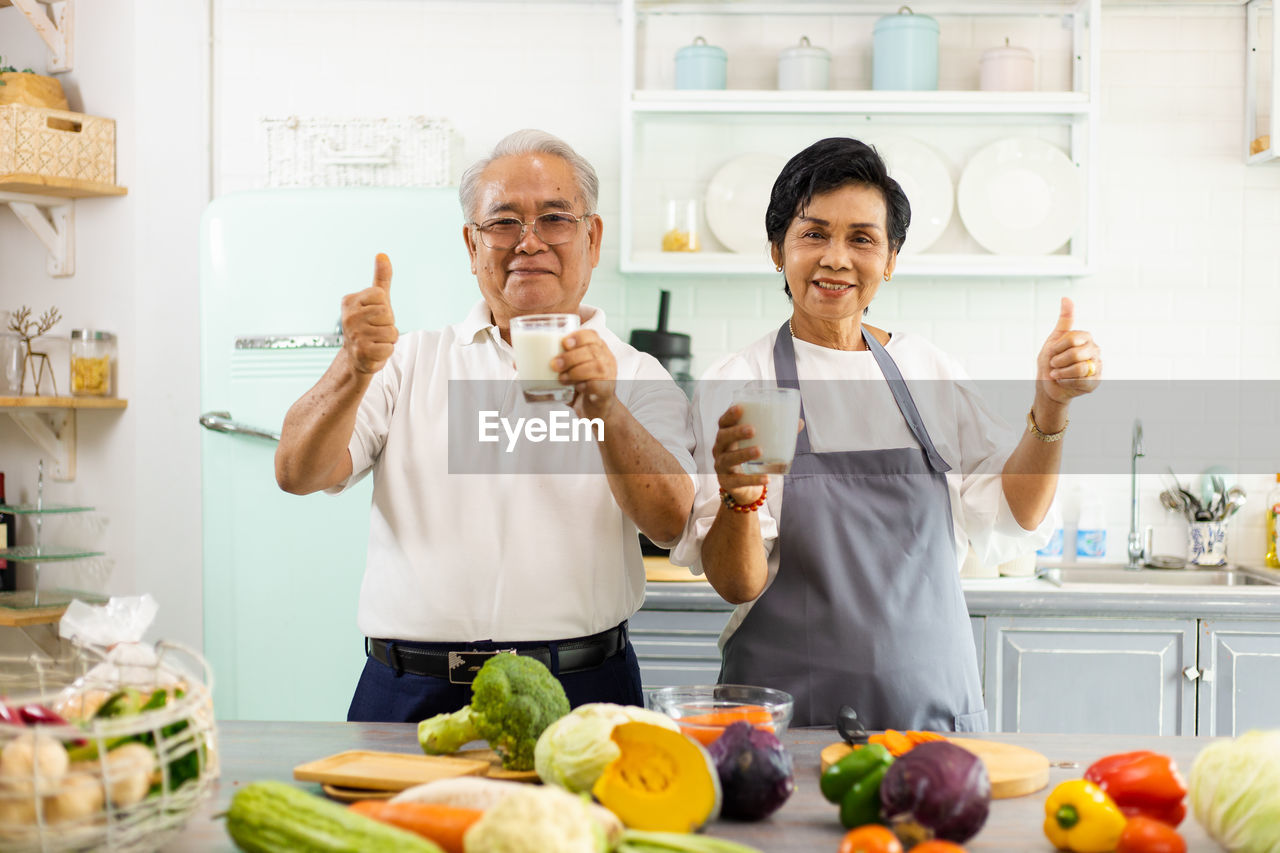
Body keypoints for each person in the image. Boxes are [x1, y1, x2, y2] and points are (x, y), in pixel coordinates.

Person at [671, 137, 1102, 731]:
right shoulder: (741, 382)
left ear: (892, 258)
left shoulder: (929, 371)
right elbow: (735, 582)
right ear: (778, 250)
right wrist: (741, 495)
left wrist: (1051, 406)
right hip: (788, 716)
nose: (836, 258)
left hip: (930, 711)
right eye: (813, 234)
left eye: (863, 239)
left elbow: (1019, 510)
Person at [275, 129, 696, 723]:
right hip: (410, 691)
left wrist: (604, 405)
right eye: (503, 223)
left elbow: (674, 522)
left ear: (592, 238)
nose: (529, 243)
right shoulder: (407, 361)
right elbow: (297, 472)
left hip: (583, 691)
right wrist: (352, 367)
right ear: (472, 246)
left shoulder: (637, 373)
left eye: (555, 218)